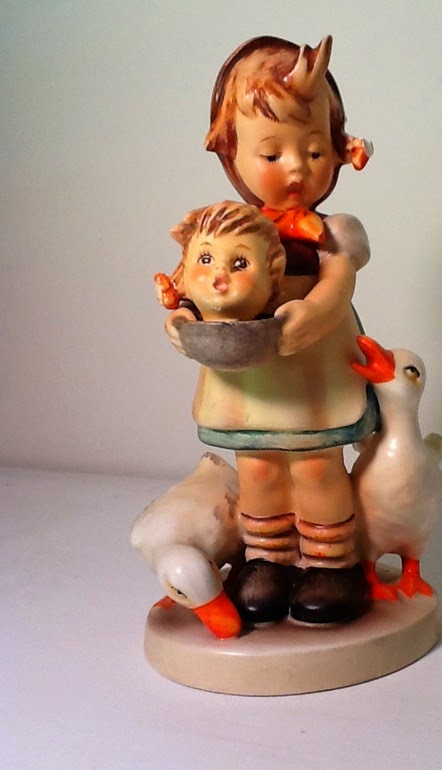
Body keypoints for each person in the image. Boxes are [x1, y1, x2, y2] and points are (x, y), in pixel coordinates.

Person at [165, 35, 377, 625]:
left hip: (312, 369)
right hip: (248, 373)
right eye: (271, 152)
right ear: (230, 153)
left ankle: (330, 563)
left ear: (339, 148)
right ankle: (267, 559)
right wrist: (182, 320)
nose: (296, 168)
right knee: (256, 464)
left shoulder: (334, 230)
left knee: (316, 464)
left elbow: (338, 282)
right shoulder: (229, 230)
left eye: (314, 150)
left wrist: (314, 312)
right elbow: (195, 282)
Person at [155, 200, 286, 322]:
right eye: (205, 260)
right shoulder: (183, 321)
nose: (220, 272)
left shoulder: (282, 326)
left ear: (274, 273)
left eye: (241, 264)